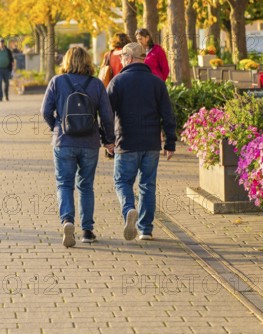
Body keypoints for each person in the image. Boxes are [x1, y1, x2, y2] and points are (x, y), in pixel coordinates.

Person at [41, 46, 115, 247]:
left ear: (66, 61)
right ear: (87, 61)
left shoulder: (57, 81)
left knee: (64, 184)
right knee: (86, 186)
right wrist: (109, 140)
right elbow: (107, 116)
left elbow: (45, 111)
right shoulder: (96, 84)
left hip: (63, 141)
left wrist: (56, 127)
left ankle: (67, 221)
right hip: (90, 142)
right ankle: (88, 231)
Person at [107, 42, 176, 241]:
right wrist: (170, 143)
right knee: (148, 185)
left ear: (128, 58)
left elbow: (106, 113)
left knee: (122, 182)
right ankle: (145, 229)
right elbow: (168, 115)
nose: (120, 60)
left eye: (121, 57)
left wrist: (107, 140)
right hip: (151, 143)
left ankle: (129, 209)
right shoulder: (156, 82)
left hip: (126, 142)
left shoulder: (117, 82)